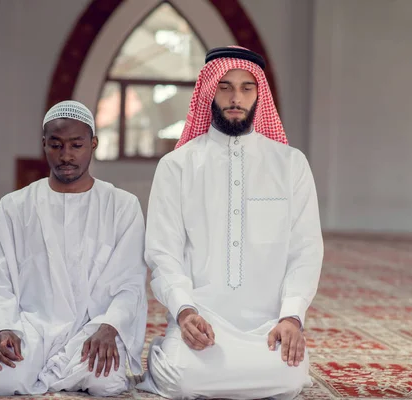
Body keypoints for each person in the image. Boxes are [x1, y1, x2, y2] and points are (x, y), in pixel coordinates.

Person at [137, 46, 324, 399]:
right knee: (184, 377)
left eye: (246, 88)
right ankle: (175, 347)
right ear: (209, 91)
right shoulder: (176, 167)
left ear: (260, 95)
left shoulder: (290, 164)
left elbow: (305, 250)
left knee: (289, 379)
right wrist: (185, 310)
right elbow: (162, 253)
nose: (235, 97)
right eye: (224, 87)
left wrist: (292, 317)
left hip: (268, 325)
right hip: (201, 321)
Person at [0, 100, 148, 396]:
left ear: (93, 144)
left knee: (106, 383)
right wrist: (2, 328)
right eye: (56, 145)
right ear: (44, 145)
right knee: (2, 381)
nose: (66, 155)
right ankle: (49, 368)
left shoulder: (122, 206)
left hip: (92, 329)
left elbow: (130, 283)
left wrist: (110, 327)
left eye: (76, 145)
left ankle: (49, 369)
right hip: (29, 326)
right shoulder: (14, 206)